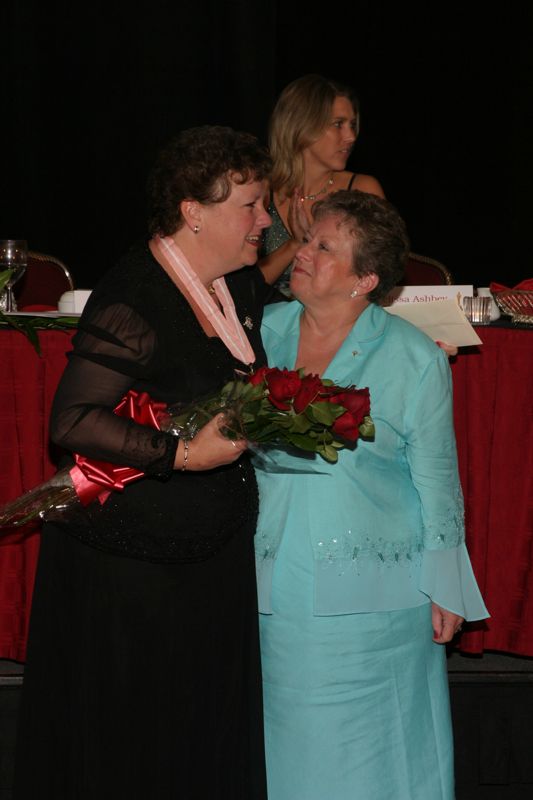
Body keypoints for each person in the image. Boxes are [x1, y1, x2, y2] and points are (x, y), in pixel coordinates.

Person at [14, 126, 272, 800]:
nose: (265, 220)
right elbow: (70, 421)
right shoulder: (134, 296)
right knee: (138, 747)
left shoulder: (237, 287)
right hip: (132, 571)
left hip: (207, 557)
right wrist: (182, 454)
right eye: (250, 205)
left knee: (200, 740)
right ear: (194, 211)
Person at [254, 190, 488, 799]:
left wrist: (449, 585)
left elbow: (438, 479)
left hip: (378, 602)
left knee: (380, 749)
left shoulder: (411, 357)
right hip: (271, 586)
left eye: (323, 246)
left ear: (365, 280)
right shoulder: (258, 335)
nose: (301, 252)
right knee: (285, 746)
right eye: (308, 239)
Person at [259, 73, 385, 296]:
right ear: (301, 126)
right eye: (338, 124)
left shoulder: (362, 190)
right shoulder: (260, 191)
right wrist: (295, 244)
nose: (350, 137)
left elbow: (379, 277)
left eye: (352, 125)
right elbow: (239, 289)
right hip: (264, 324)